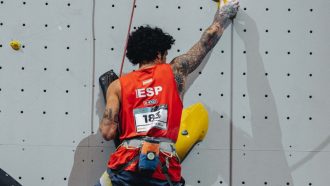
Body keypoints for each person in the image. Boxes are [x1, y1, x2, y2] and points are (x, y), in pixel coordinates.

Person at [97, 1, 239, 185]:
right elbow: (207, 40)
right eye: (165, 55)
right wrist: (224, 14)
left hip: (126, 166)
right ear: (159, 54)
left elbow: (108, 132)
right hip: (163, 167)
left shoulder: (117, 86)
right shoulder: (175, 72)